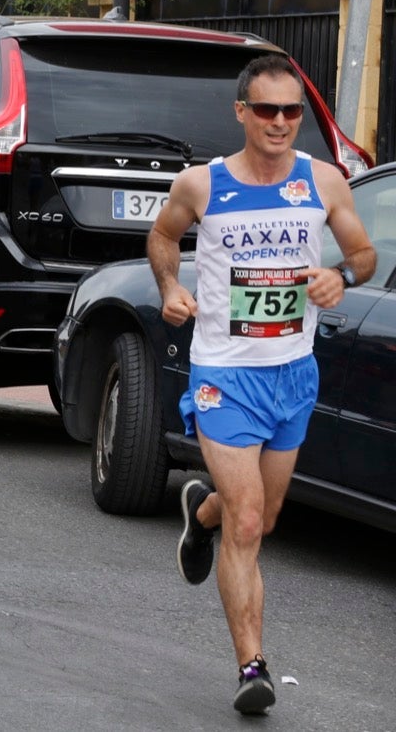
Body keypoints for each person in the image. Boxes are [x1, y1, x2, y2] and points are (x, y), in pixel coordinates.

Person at [148, 53, 375, 716]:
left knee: (261, 517)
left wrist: (344, 277)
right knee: (249, 520)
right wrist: (169, 287)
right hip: (224, 373)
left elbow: (363, 254)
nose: (280, 123)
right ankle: (253, 666)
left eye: (292, 112)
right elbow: (162, 238)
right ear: (242, 112)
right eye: (267, 110)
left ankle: (201, 511)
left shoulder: (325, 181)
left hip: (293, 374)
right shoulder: (203, 185)